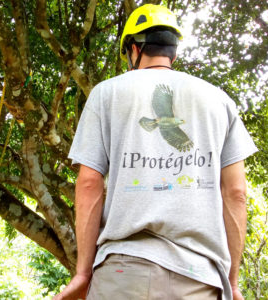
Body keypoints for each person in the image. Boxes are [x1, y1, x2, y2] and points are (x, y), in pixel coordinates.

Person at [55, 4, 257, 300]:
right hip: (199, 279)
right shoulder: (220, 101)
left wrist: (83, 273)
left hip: (122, 274)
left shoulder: (106, 93)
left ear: (134, 49)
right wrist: (233, 283)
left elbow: (88, 184)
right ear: (173, 52)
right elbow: (236, 193)